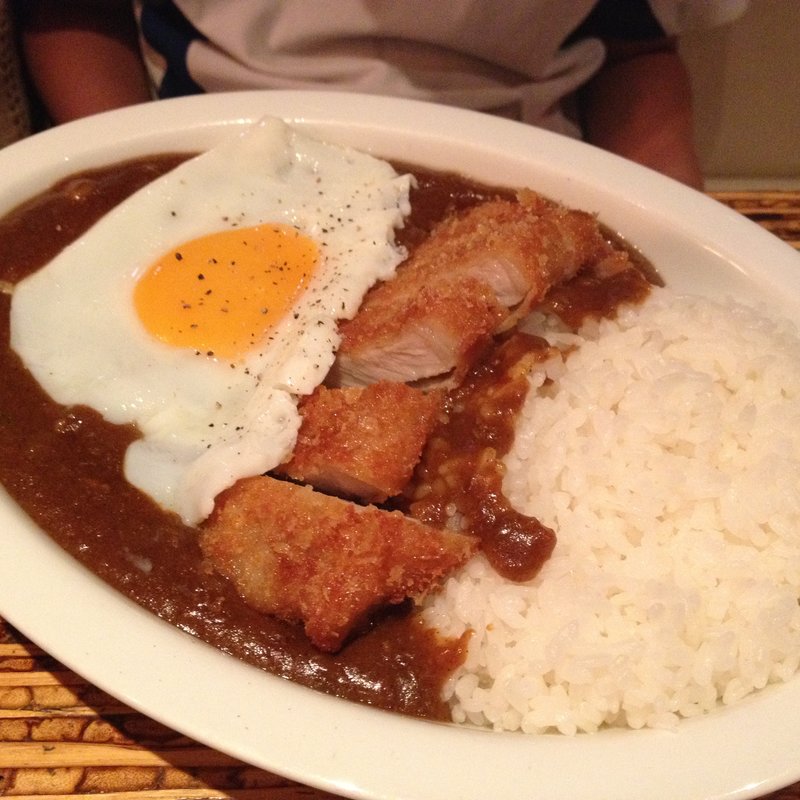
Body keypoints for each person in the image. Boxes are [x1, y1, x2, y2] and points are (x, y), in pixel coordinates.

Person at [14, 0, 748, 188]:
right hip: (219, 154)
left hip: (530, 165)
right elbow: (75, 13)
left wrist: (670, 210)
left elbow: (639, 48)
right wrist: (133, 183)